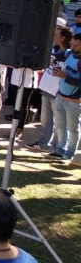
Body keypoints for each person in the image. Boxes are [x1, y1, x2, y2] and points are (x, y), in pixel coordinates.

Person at [26, 26, 73, 152]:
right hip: (46, 88)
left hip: (57, 91)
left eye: (56, 34)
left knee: (58, 122)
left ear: (62, 38)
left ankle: (57, 146)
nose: (53, 36)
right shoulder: (53, 49)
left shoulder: (69, 54)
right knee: (45, 120)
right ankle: (43, 143)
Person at [47, 32, 81, 164]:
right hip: (60, 96)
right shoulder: (67, 53)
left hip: (74, 101)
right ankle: (60, 150)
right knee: (60, 125)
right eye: (72, 44)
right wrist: (51, 58)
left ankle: (69, 153)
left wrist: (64, 76)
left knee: (73, 128)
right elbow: (55, 56)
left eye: (76, 46)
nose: (72, 47)